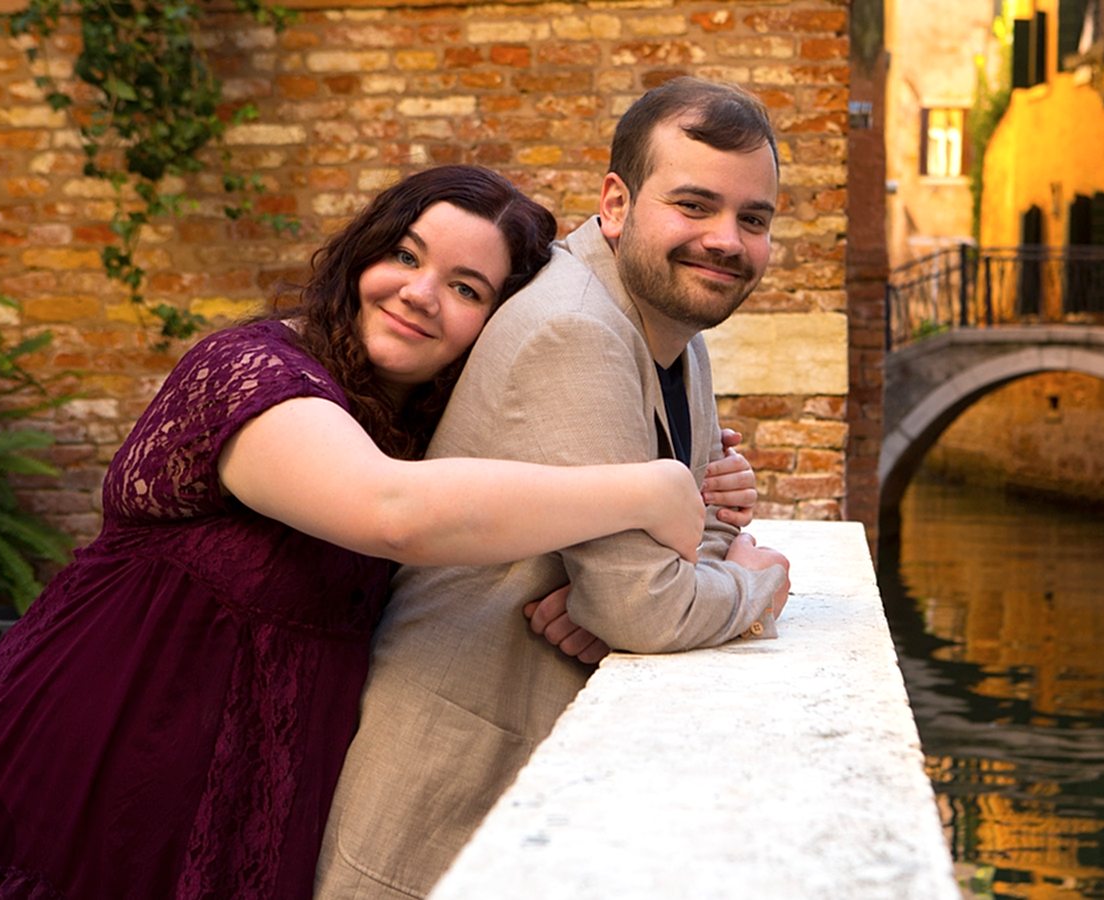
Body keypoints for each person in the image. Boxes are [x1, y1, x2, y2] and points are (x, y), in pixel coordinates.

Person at [0, 165, 750, 898]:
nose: (420, 294)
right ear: (361, 254)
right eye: (405, 256)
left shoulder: (414, 426)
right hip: (98, 745)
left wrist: (627, 554)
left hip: (257, 779)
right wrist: (652, 488)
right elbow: (393, 513)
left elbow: (496, 500)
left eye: (466, 288)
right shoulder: (254, 372)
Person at [315, 77, 793, 898]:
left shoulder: (673, 324)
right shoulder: (578, 329)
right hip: (449, 783)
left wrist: (657, 577)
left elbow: (692, 530)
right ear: (616, 201)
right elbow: (646, 605)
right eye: (694, 204)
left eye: (753, 220)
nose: (725, 240)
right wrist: (755, 586)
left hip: (528, 784)